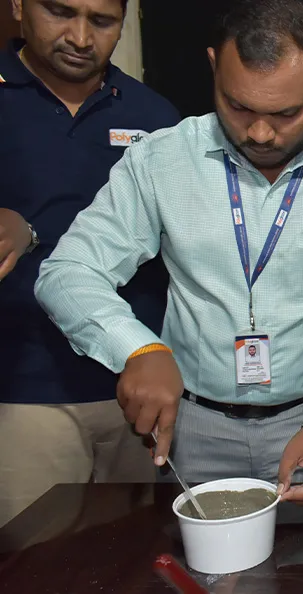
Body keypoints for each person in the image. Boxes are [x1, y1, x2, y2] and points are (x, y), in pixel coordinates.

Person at [34, 0, 303, 505]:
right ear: (213, 68)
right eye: (239, 106)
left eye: (286, 114)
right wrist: (139, 349)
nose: (260, 133)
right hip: (192, 429)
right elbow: (68, 271)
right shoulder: (160, 161)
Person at [0, 0, 179, 528]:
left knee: (135, 550)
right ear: (18, 6)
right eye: (61, 12)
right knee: (36, 557)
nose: (80, 37)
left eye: (101, 21)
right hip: (25, 389)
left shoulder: (155, 117)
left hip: (138, 385)